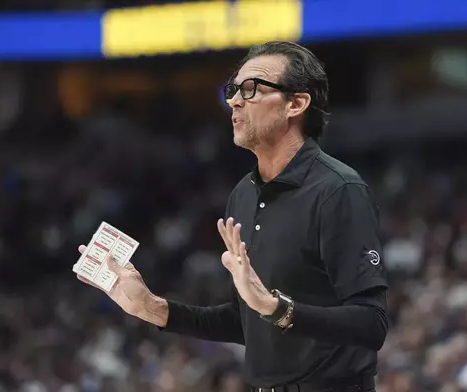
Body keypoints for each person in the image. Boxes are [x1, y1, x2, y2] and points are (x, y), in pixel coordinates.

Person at [76, 41, 388, 392]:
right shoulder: (243, 194)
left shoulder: (338, 190)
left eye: (252, 89)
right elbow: (246, 321)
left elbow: (372, 324)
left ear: (296, 104)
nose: (234, 101)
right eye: (234, 90)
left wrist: (276, 308)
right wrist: (153, 308)